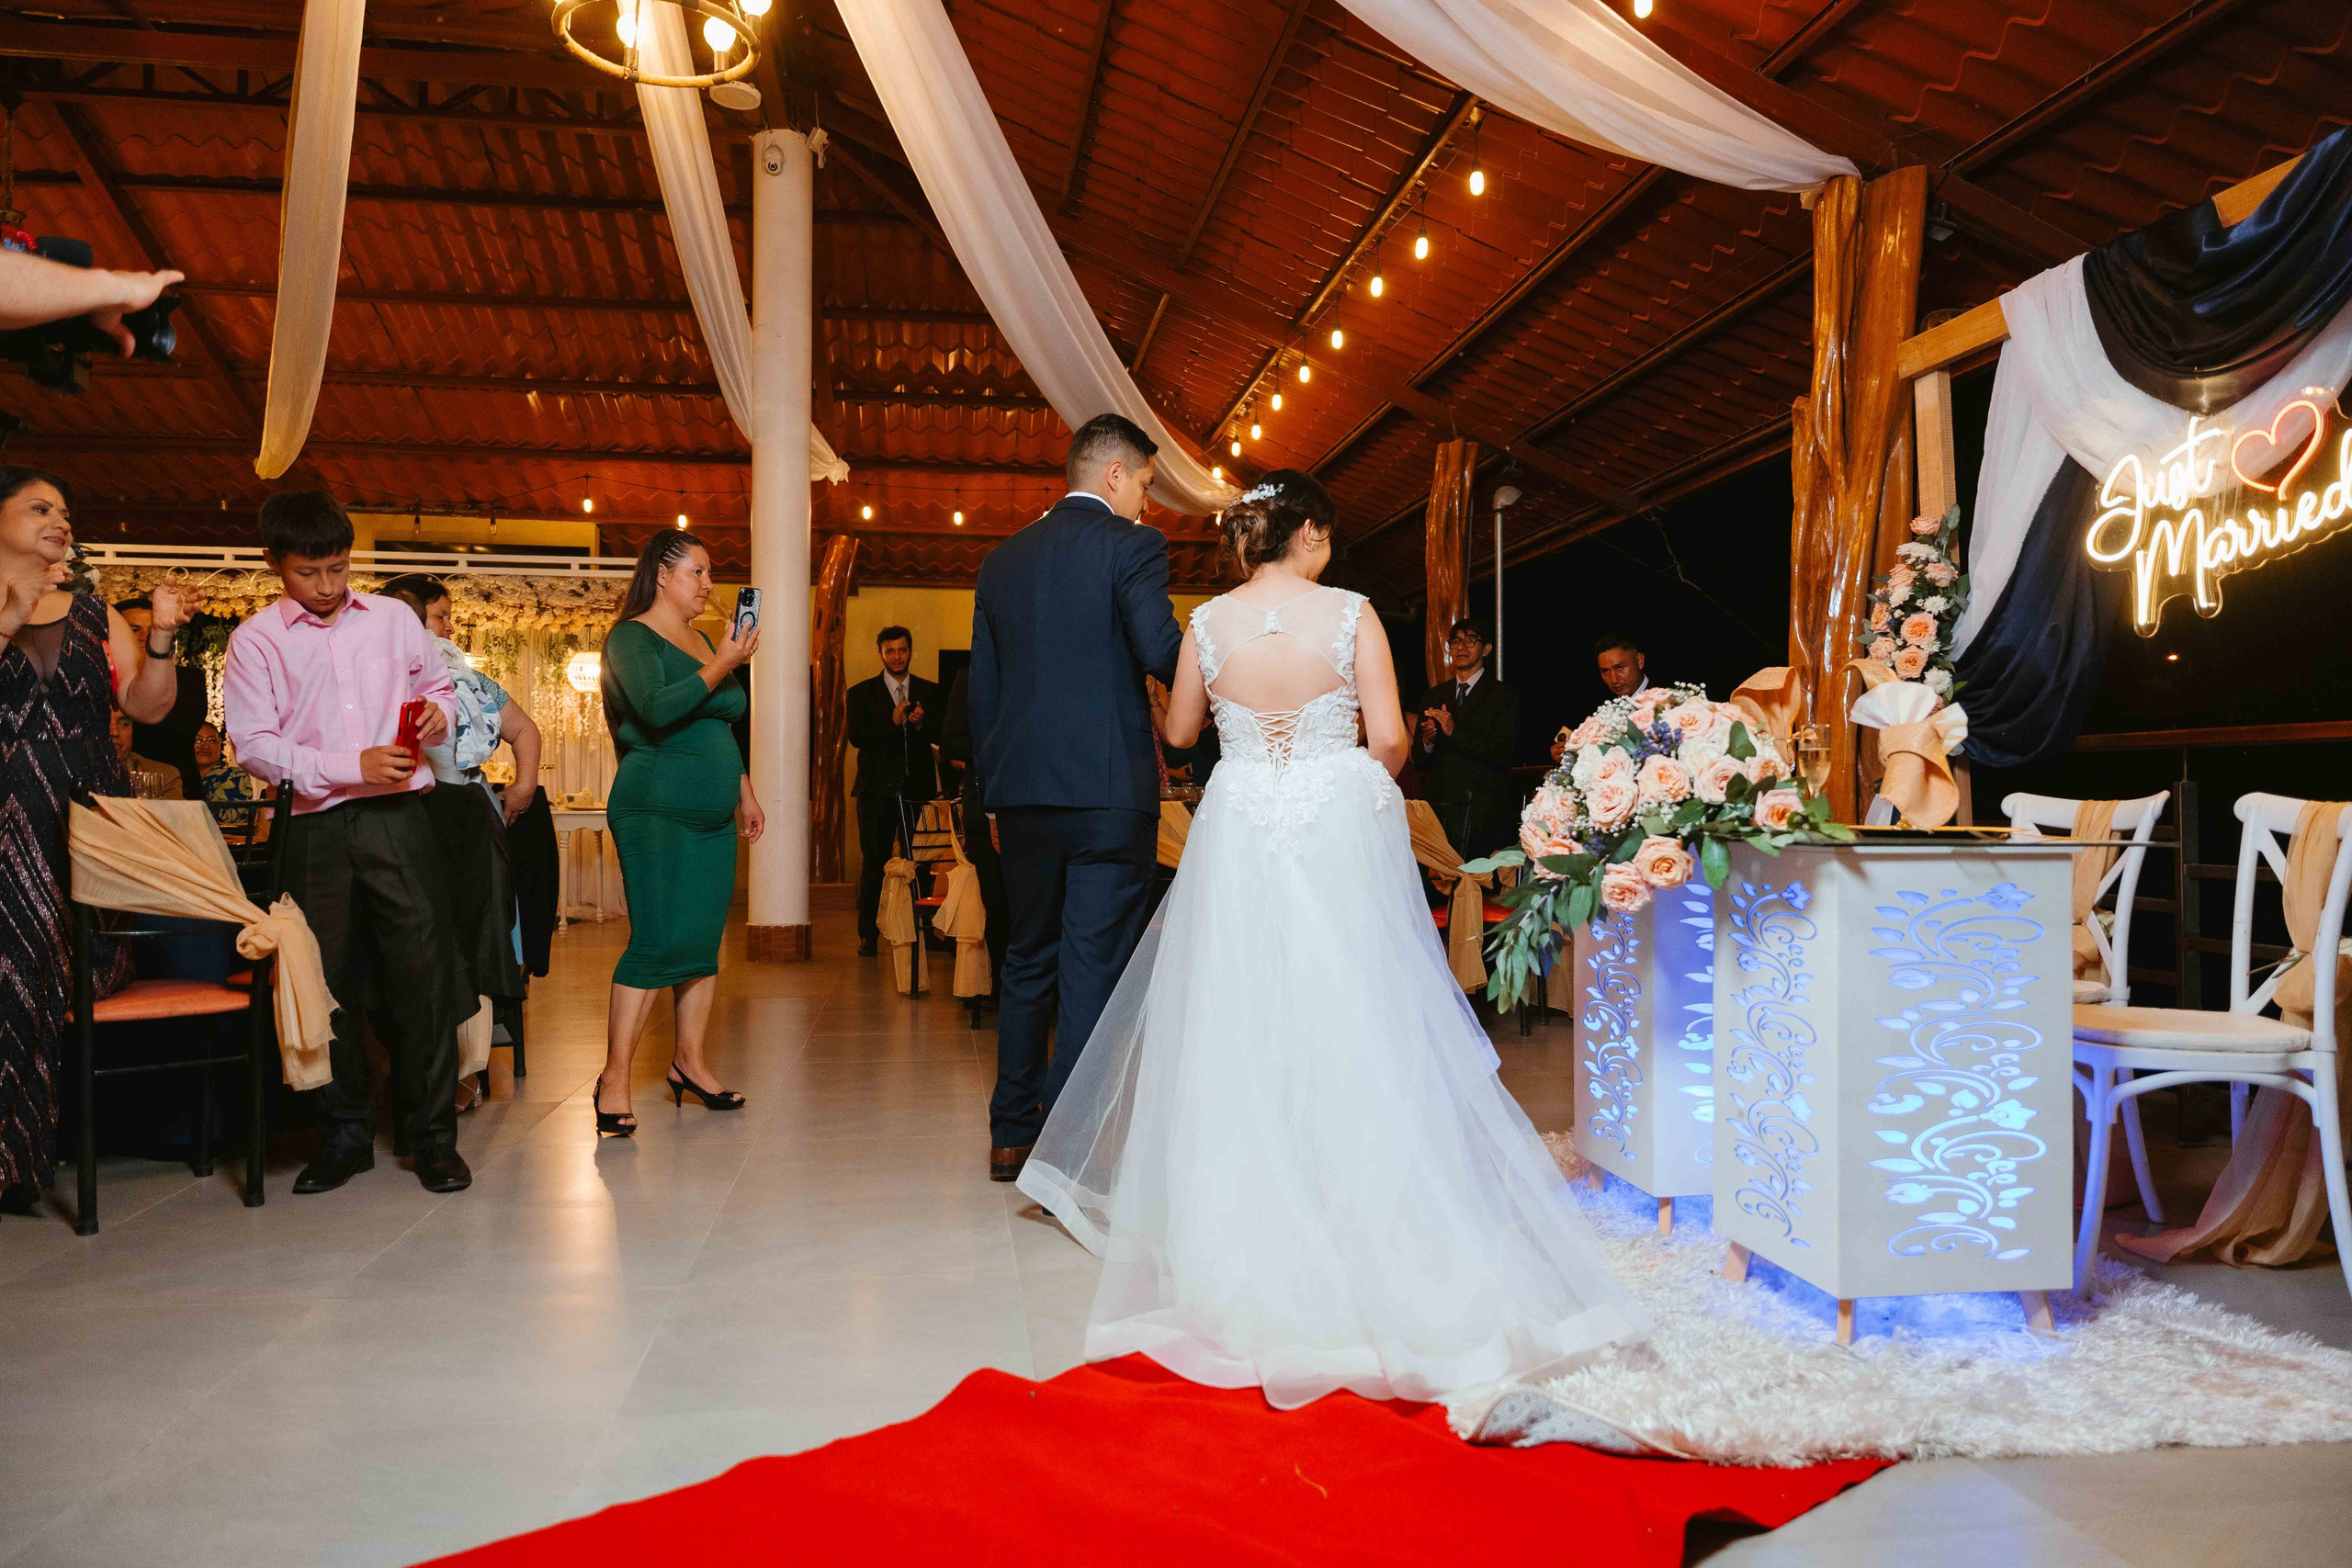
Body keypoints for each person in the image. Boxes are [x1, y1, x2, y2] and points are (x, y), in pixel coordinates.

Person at [1016, 470, 1647, 1410]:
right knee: (1359, 1011)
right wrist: (1330, 764)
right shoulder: (1350, 614)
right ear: (1308, 532)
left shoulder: (1207, 623)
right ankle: (1374, 1222)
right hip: (1328, 821)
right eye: (1325, 534)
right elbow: (1390, 742)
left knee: (1240, 1018)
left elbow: (1184, 733)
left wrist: (1251, 746)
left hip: (1238, 822)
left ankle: (1244, 1246)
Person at [221, 491, 475, 1196]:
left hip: (400, 816)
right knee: (324, 981)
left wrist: (435, 713)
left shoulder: (394, 619)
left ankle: (431, 1139)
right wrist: (347, 765)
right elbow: (254, 747)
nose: (329, 586)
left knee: (422, 977)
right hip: (314, 826)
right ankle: (343, 1136)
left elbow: (441, 689)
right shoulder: (256, 641)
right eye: (311, 572)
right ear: (275, 563)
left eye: (339, 568)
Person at [971, 412, 1180, 1183]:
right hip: (1106, 793)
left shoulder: (1002, 562)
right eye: (1147, 487)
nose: (1149, 507)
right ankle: (1068, 1151)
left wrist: (995, 796)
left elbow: (983, 695)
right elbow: (1161, 650)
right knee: (1091, 963)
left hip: (1022, 795)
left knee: (1027, 957)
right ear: (1114, 476)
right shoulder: (1132, 547)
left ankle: (1009, 1132)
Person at [0, 467, 187, 1213]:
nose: (60, 521)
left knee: (57, 957)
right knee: (20, 953)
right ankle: (16, 1161)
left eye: (66, 513)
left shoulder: (91, 610)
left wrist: (163, 631)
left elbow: (145, 703)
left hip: (86, 820)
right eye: (40, 507)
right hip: (7, 814)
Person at [594, 531, 762, 1135]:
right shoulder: (631, 637)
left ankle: (689, 1061)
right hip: (655, 806)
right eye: (697, 571)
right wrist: (725, 662)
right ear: (662, 574)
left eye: (710, 572)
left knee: (699, 938)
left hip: (712, 813)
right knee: (657, 939)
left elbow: (721, 721)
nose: (708, 583)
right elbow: (658, 709)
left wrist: (742, 789)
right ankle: (613, 1079)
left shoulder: (703, 640)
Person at [379, 574, 536, 1115]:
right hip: (410, 814)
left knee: (469, 941)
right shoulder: (382, 672)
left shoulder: (465, 677)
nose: (449, 626)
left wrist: (524, 785)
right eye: (440, 616)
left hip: (459, 817)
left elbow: (526, 730)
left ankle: (462, 1070)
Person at [847, 626, 942, 958]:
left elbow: (944, 733)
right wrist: (891, 721)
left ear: (910, 651)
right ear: (881, 653)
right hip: (875, 793)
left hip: (917, 791)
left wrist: (919, 724)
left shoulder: (930, 691)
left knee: (921, 862)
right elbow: (856, 737)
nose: (897, 657)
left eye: (902, 650)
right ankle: (868, 936)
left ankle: (925, 931)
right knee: (874, 863)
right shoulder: (861, 693)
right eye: (890, 651)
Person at [1416, 616, 1519, 858]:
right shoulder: (1433, 695)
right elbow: (1419, 759)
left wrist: (1453, 732)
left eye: (1470, 640)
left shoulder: (1504, 696)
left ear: (1486, 649)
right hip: (1442, 811)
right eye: (1455, 641)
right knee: (1439, 891)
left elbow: (1504, 753)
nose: (1461, 647)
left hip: (1484, 812)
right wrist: (1428, 742)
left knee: (1482, 891)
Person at [938, 664, 1009, 997]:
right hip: (983, 797)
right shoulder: (970, 674)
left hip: (1037, 801)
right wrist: (1000, 747)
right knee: (997, 901)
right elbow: (951, 742)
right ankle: (1005, 989)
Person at [115, 593, 209, 795]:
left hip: (178, 791)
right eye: (133, 629)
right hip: (116, 789)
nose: (144, 636)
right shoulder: (104, 680)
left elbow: (178, 730)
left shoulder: (189, 680)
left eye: (153, 629)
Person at [110, 705, 184, 798]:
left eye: (124, 724)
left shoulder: (162, 778)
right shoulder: (86, 775)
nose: (114, 732)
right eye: (103, 723)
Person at [193, 720, 269, 807]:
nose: (205, 746)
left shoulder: (233, 776)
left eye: (212, 740)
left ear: (219, 745)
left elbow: (216, 815)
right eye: (197, 740)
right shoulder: (178, 778)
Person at [1595, 631, 1649, 698]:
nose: (1614, 680)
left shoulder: (1664, 702)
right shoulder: (1603, 706)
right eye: (1606, 671)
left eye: (1619, 668)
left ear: (1640, 661)